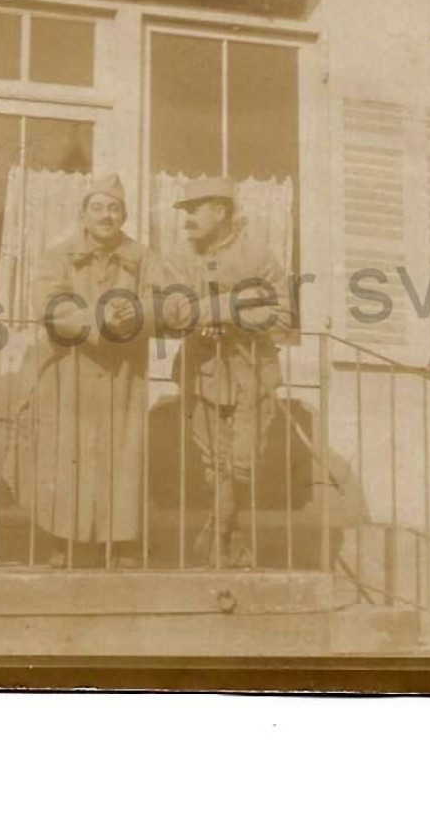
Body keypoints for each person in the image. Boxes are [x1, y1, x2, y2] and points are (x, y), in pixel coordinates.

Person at [10, 174, 167, 569]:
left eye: (114, 208)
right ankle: (64, 540)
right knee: (67, 455)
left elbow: (168, 304)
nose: (106, 215)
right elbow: (47, 304)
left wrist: (136, 314)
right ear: (83, 214)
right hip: (70, 370)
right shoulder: (59, 255)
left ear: (124, 214)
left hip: (124, 372)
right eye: (98, 207)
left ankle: (123, 542)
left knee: (123, 454)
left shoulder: (144, 257)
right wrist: (100, 322)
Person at [166, 176, 292, 569]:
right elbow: (174, 312)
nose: (187, 218)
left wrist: (217, 308)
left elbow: (282, 316)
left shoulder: (259, 257)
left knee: (243, 461)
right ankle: (227, 540)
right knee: (213, 464)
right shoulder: (179, 258)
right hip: (202, 373)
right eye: (185, 210)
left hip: (253, 373)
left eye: (193, 209)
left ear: (219, 211)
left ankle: (219, 532)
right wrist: (240, 303)